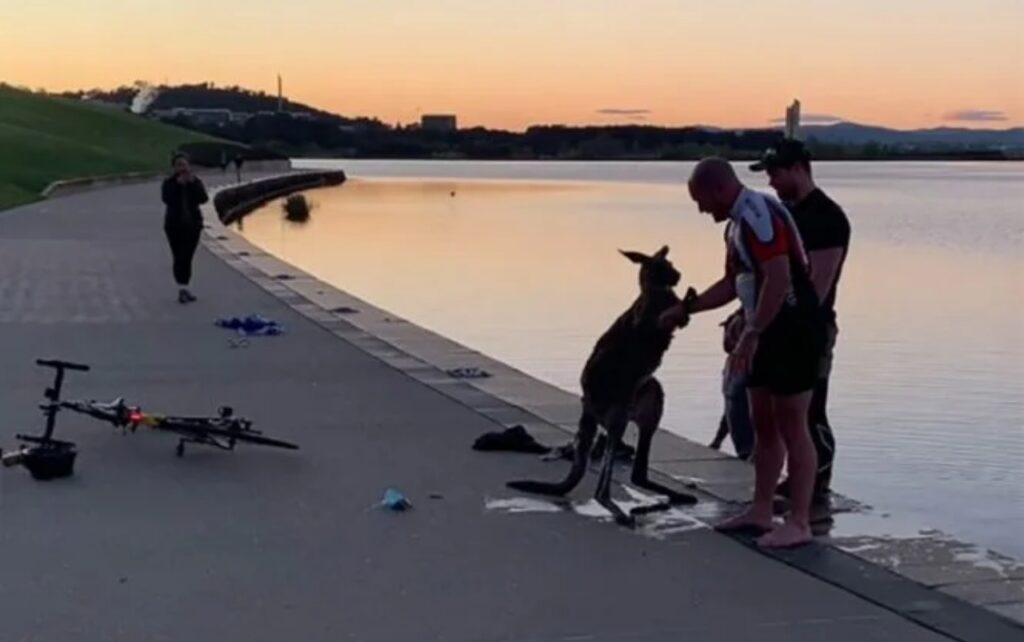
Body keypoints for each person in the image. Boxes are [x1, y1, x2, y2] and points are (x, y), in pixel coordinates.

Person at [660, 158, 824, 548]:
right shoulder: (735, 225)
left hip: (793, 329)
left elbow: (780, 276)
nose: (701, 210)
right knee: (762, 422)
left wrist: (752, 331)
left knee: (792, 424)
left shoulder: (757, 214)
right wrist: (687, 309)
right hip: (765, 331)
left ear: (719, 189)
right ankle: (761, 509)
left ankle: (799, 521)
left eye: (701, 201)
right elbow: (736, 282)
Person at [750, 139, 851, 502]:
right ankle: (790, 481)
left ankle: (815, 489)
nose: (772, 183)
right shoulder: (782, 217)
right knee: (777, 411)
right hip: (778, 324)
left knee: (811, 411)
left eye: (775, 174)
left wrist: (791, 325)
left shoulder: (827, 217)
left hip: (812, 328)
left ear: (797, 169)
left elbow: (817, 288)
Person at [161, 152, 208, 303]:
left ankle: (184, 287)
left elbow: (203, 199)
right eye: (178, 165)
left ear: (189, 166)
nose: (181, 168)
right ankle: (182, 288)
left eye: (184, 164)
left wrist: (192, 184)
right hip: (174, 225)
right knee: (179, 255)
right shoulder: (169, 183)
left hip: (193, 225)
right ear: (173, 167)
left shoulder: (195, 182)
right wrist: (177, 186)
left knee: (187, 255)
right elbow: (166, 199)